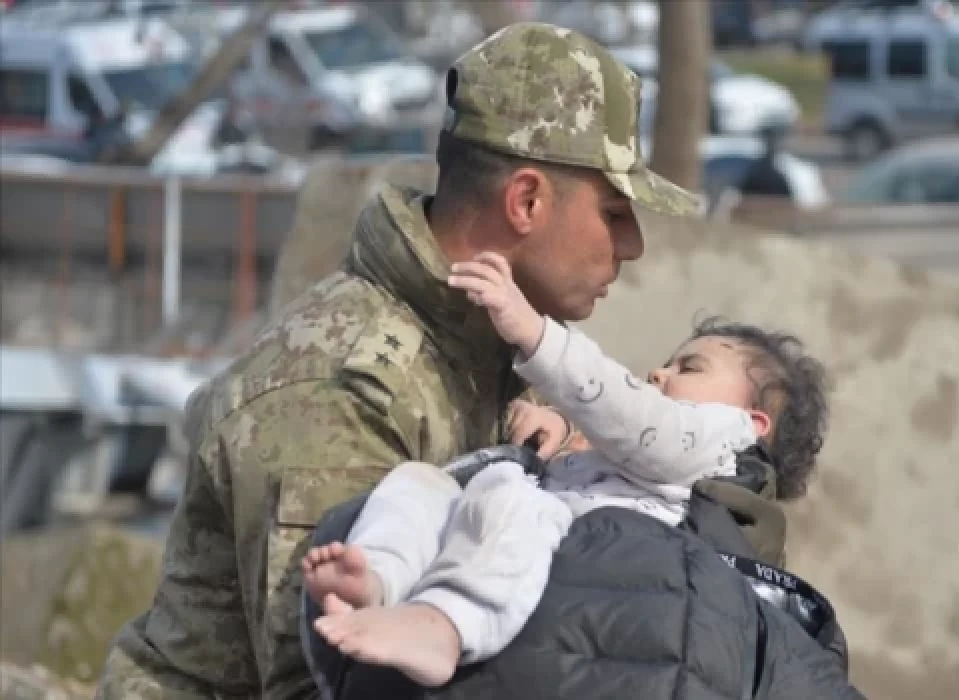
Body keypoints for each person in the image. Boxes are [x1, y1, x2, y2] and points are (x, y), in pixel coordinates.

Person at [96, 22, 703, 699]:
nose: (633, 246)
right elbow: (326, 679)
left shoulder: (481, 349)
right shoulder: (341, 390)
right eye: (614, 213)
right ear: (526, 201)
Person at [300, 251, 827, 687]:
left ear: (752, 422)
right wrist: (560, 432)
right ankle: (377, 578)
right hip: (525, 533)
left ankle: (447, 624)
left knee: (513, 499)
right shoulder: (654, 452)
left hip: (551, 540)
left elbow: (638, 423)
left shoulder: (718, 440)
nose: (659, 372)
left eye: (689, 368)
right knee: (420, 483)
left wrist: (535, 334)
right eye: (669, 361)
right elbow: (625, 447)